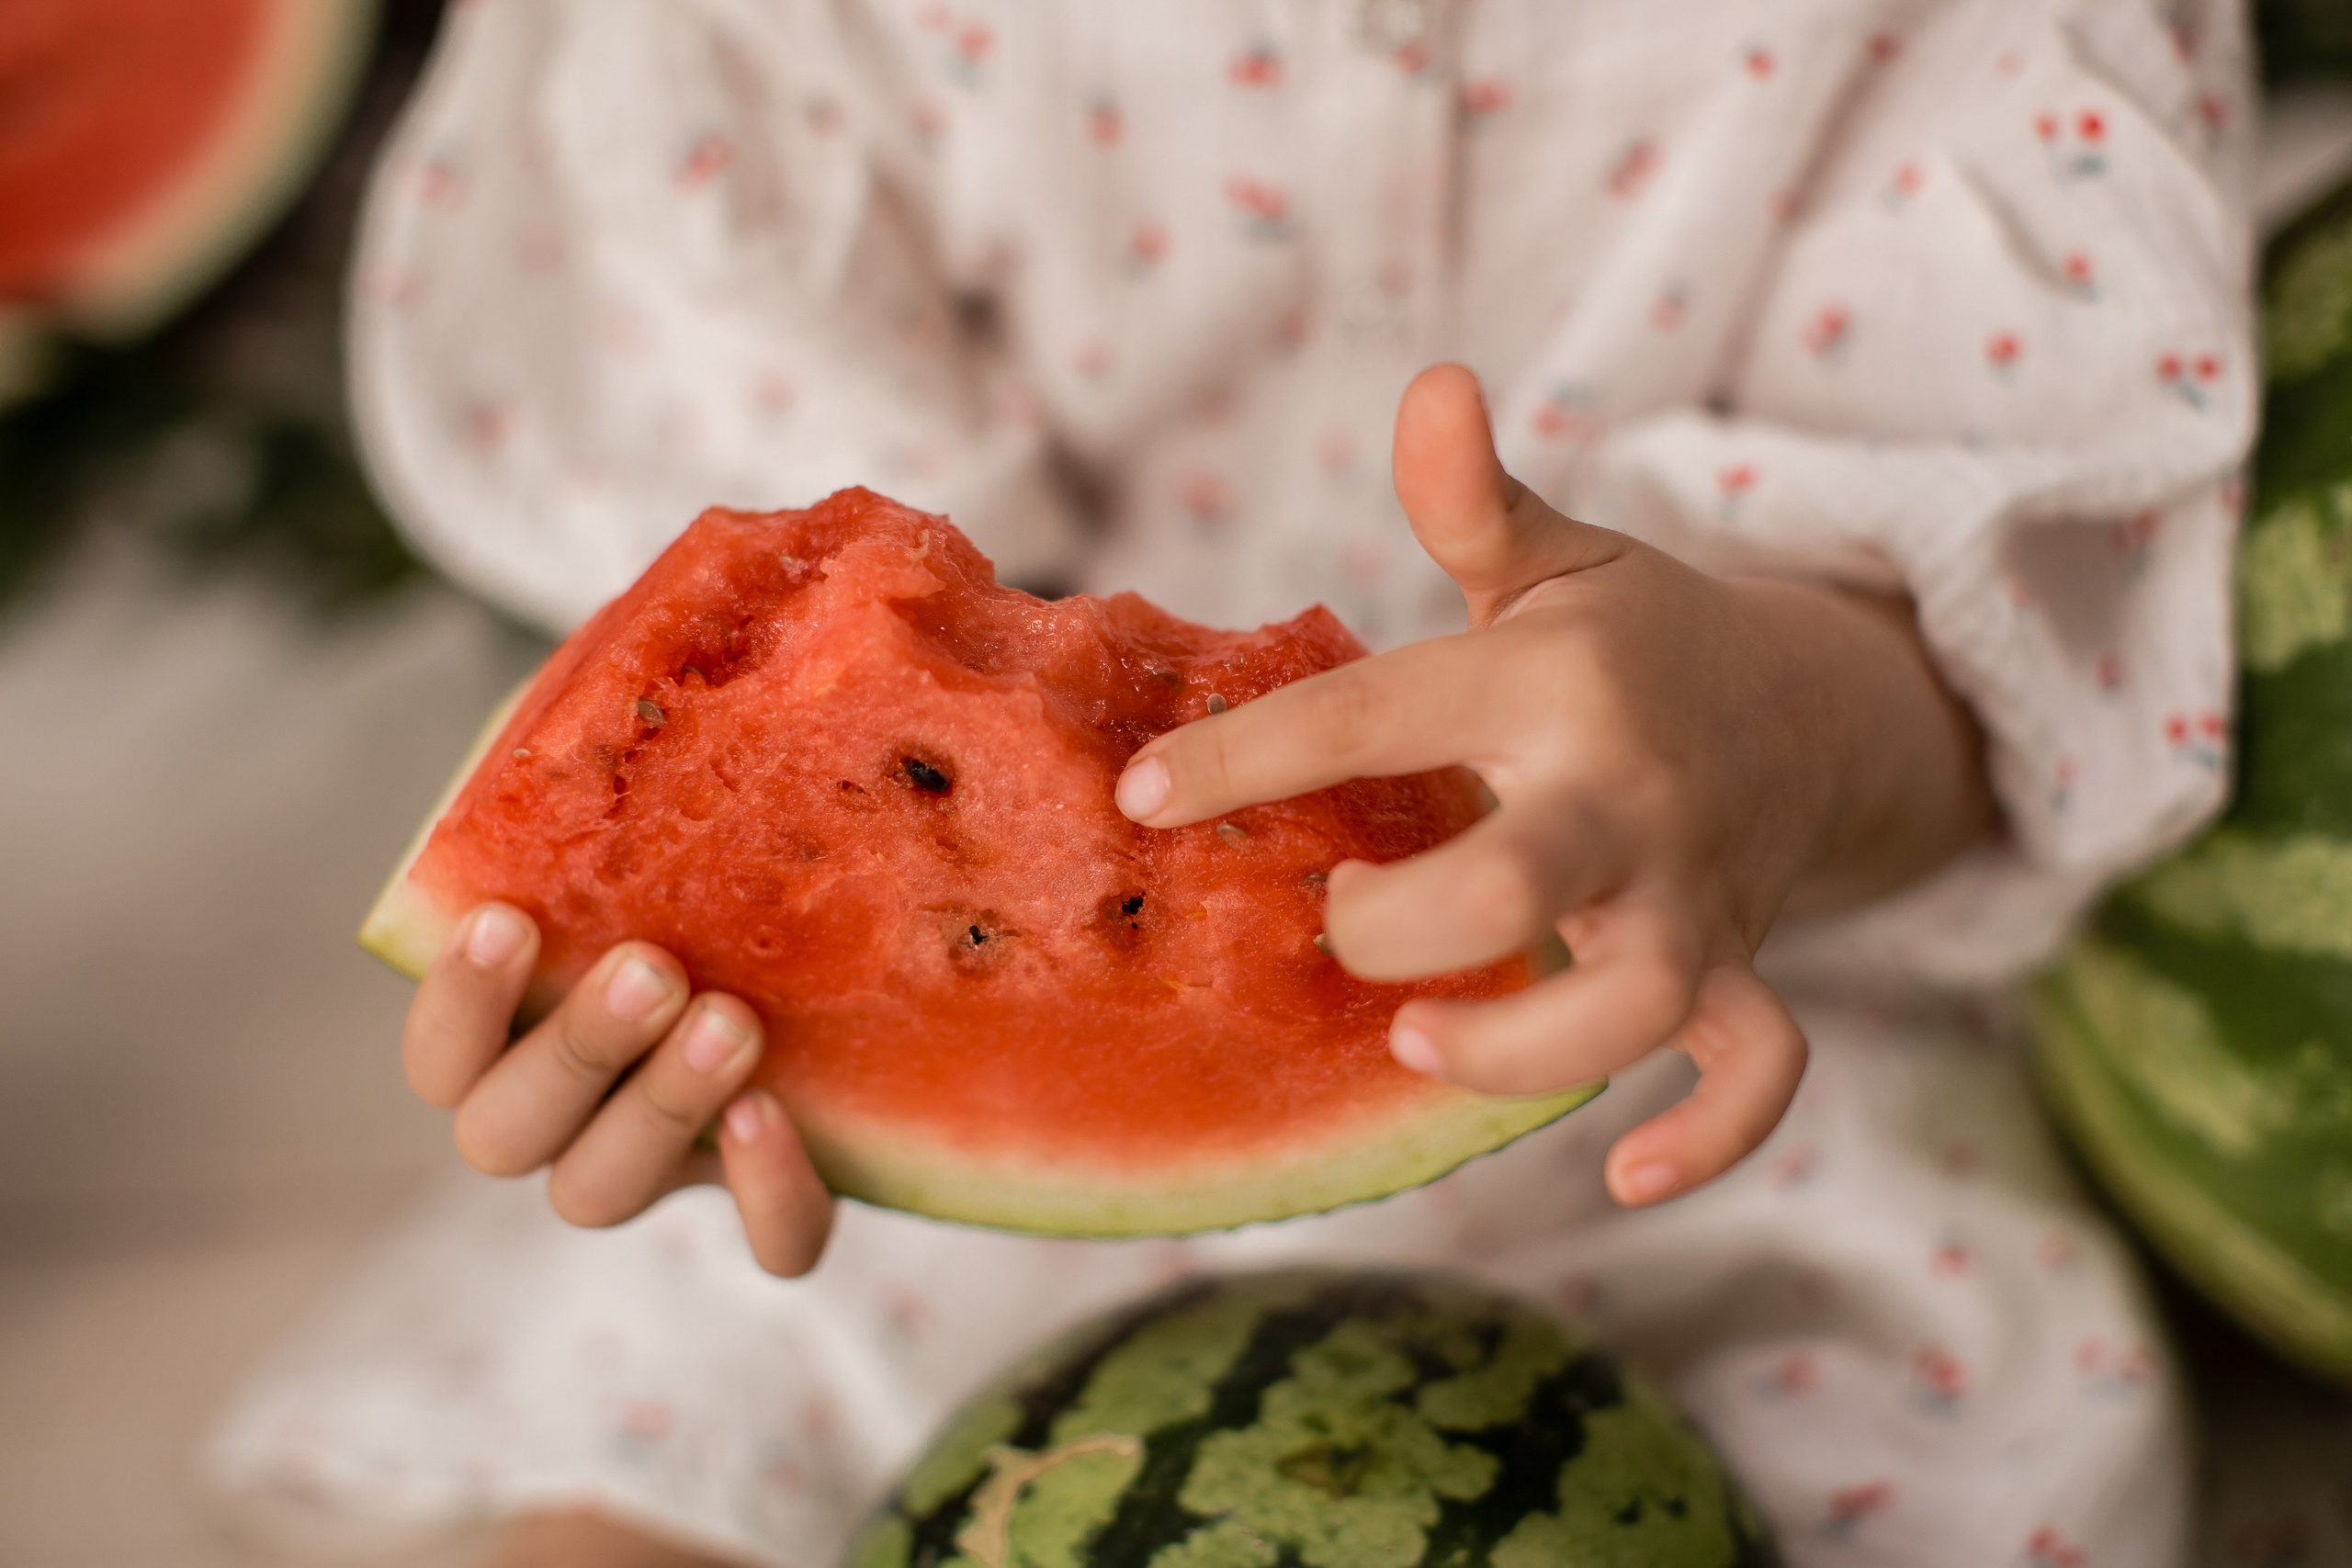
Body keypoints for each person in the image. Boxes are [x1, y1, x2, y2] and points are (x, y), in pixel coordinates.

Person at [208, 3, 2257, 1565]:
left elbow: (1999, 649)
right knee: (618, 1491)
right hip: (874, 1220)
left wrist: (1766, 739)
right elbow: (762, 683)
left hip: (1720, 1117)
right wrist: (669, 988)